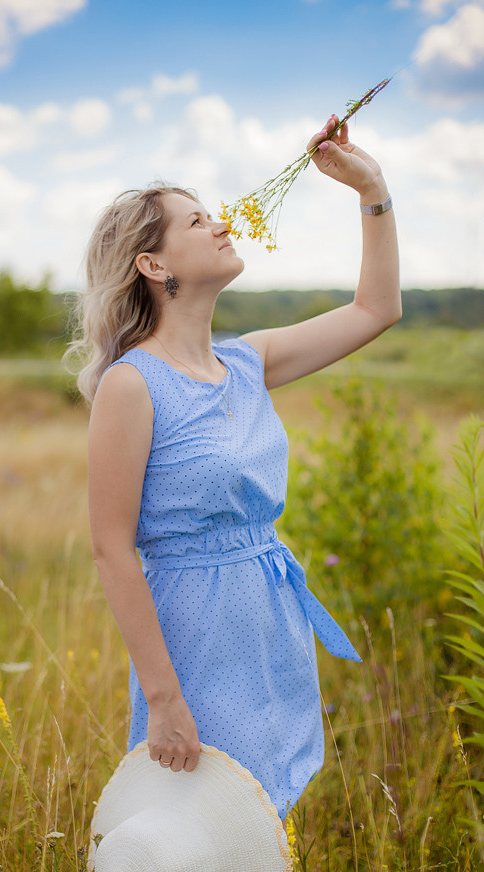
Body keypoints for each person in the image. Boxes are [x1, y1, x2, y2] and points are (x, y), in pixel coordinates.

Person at [72, 113, 401, 819]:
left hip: (268, 615)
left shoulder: (249, 362)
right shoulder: (133, 385)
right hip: (196, 630)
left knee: (257, 827)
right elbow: (110, 547)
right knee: (191, 828)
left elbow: (376, 308)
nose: (220, 223)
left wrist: (369, 190)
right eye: (196, 221)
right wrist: (163, 699)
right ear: (153, 267)